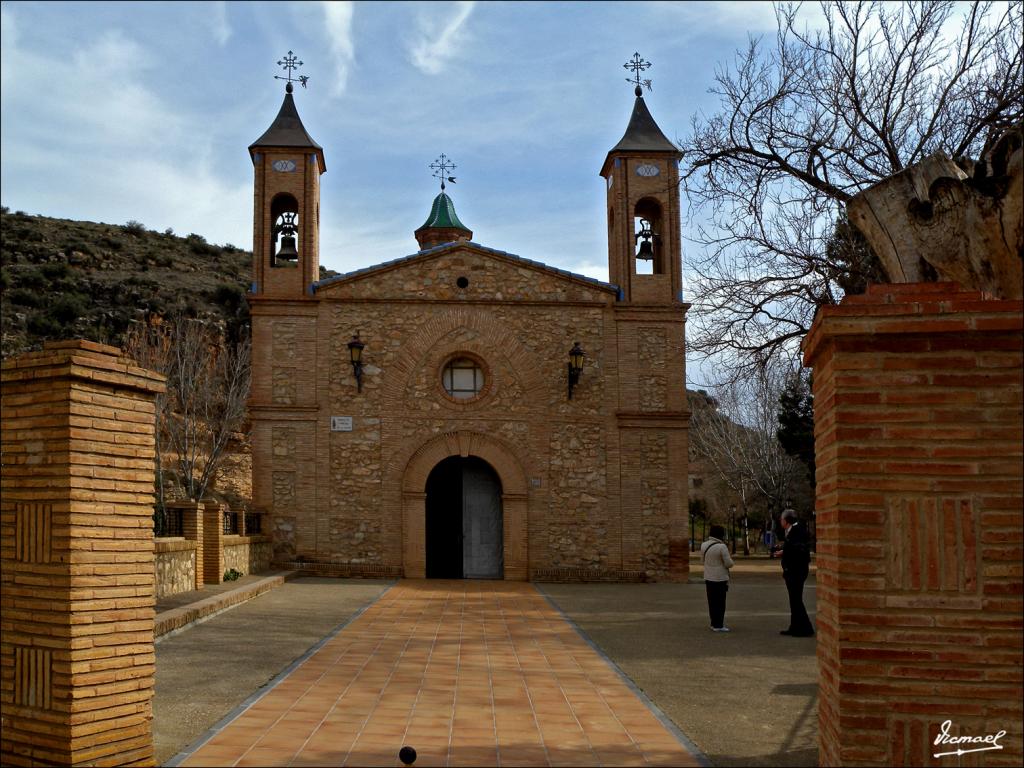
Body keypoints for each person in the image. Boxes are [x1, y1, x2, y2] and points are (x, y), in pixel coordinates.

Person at [779, 510, 814, 637]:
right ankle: (795, 627)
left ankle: (805, 628)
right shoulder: (793, 531)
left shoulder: (797, 530)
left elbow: (798, 549)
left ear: (786, 520)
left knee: (796, 600)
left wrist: (786, 551)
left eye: (782, 519)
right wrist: (784, 551)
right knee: (794, 600)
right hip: (793, 570)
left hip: (797, 571)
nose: (780, 521)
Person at [700, 524, 735, 632]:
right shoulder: (722, 546)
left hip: (708, 577)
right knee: (720, 602)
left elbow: (702, 561)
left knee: (712, 602)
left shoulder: (704, 545)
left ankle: (713, 623)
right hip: (720, 578)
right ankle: (719, 625)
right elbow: (729, 563)